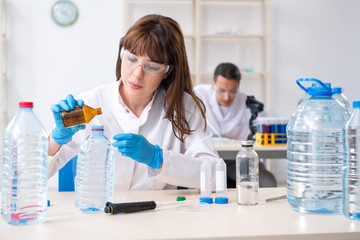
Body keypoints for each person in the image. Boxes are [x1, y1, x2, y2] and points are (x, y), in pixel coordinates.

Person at [47, 14, 220, 190]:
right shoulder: (91, 102)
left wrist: (157, 158)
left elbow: (215, 177)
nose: (137, 74)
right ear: (122, 54)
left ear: (167, 71)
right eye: (131, 59)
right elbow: (28, 175)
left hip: (158, 214)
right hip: (97, 212)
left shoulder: (183, 108)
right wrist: (56, 139)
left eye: (152, 66)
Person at [194, 62, 277, 188]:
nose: (226, 97)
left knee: (267, 182)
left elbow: (264, 123)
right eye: (221, 90)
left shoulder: (246, 102)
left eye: (232, 91)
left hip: (236, 160)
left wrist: (257, 162)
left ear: (238, 86)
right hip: (205, 159)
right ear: (213, 84)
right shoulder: (198, 95)